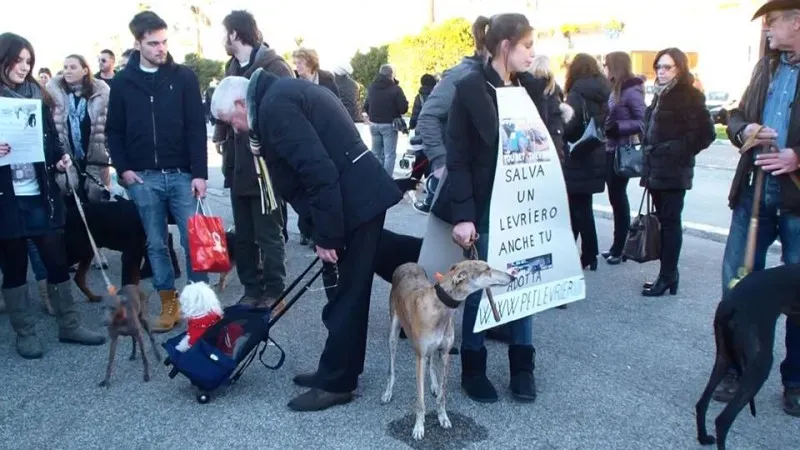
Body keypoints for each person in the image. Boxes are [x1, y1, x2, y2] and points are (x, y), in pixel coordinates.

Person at [210, 67, 402, 411]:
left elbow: (319, 172)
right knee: (370, 267)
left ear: (240, 103)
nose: (235, 129)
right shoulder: (279, 95)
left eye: (231, 121)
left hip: (354, 203)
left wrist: (327, 236)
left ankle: (337, 382)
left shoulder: (275, 108)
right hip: (356, 199)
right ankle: (338, 368)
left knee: (345, 295)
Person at [429, 13, 541, 404]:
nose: (532, 54)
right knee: (480, 287)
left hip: (523, 203)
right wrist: (463, 216)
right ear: (506, 46)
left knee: (524, 282)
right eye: (527, 45)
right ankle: (473, 368)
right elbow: (458, 157)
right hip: (485, 206)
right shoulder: (470, 88)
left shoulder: (531, 88)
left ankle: (522, 367)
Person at [716, 1, 800, 416]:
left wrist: (797, 157)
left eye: (773, 22)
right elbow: (734, 116)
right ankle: (734, 368)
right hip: (754, 193)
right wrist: (744, 129)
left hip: (796, 200)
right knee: (738, 286)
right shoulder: (765, 68)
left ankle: (795, 380)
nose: (767, 30)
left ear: (797, 22)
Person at [0, 32, 105, 359]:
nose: (24, 67)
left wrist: (60, 158)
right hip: (7, 199)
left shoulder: (38, 95)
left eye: (28, 61)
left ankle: (69, 324)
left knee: (57, 260)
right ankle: (25, 334)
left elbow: (52, 140)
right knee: (15, 266)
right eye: (18, 60)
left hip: (40, 193)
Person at [106, 11, 209, 332]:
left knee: (194, 242)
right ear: (138, 43)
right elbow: (114, 131)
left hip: (182, 174)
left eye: (164, 41)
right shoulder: (122, 82)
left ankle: (200, 306)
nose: (161, 48)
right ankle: (169, 306)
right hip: (143, 178)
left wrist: (200, 172)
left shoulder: (184, 77)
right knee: (155, 244)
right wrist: (124, 170)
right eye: (153, 43)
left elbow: (196, 127)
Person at [214, 9, 294, 307]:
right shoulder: (231, 66)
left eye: (224, 33)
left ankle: (275, 292)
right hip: (236, 165)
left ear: (235, 33)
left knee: (269, 234)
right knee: (244, 235)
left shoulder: (275, 66)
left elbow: (288, 116)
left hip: (264, 169)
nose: (222, 39)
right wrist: (220, 135)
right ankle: (251, 290)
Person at [640, 48, 714, 297]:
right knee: (664, 223)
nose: (661, 72)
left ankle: (668, 275)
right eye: (658, 67)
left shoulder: (689, 95)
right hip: (655, 169)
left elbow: (705, 134)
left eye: (667, 67)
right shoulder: (661, 94)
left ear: (679, 69)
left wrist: (671, 150)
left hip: (674, 171)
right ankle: (667, 274)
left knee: (671, 224)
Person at [413, 22, 488, 215]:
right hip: (459, 177)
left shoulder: (507, 79)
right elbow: (428, 116)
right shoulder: (461, 74)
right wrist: (440, 161)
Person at [562, 53, 610, 271]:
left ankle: (582, 254)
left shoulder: (576, 94)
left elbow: (569, 128)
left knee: (576, 209)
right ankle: (589, 254)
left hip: (577, 156)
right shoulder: (604, 92)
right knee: (584, 207)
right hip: (595, 154)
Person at [46, 54, 112, 204]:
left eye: (73, 67)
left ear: (85, 70)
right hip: (65, 159)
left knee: (97, 202)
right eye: (65, 67)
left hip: (95, 158)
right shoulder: (53, 93)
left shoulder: (101, 93)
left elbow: (109, 127)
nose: (67, 71)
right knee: (69, 200)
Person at [601, 51, 645, 265]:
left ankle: (620, 248)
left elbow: (642, 121)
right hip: (610, 148)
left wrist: (618, 127)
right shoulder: (615, 88)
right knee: (615, 198)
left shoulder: (631, 90)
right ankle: (616, 246)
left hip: (622, 150)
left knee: (618, 198)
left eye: (606, 64)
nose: (603, 68)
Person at [363, 64, 409, 175]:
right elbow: (403, 109)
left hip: (373, 124)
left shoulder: (372, 87)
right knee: (389, 155)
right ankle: (387, 180)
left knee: (376, 154)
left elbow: (366, 106)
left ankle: (375, 178)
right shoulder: (396, 89)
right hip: (389, 125)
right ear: (391, 75)